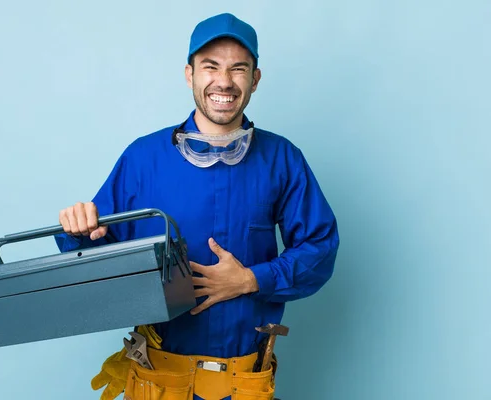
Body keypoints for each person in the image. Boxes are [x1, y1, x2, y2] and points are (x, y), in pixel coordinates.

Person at [55, 12, 339, 400]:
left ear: (255, 79)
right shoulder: (143, 159)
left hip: (242, 383)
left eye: (239, 68)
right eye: (211, 67)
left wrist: (252, 279)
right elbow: (98, 263)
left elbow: (320, 249)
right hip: (159, 380)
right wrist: (77, 233)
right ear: (190, 74)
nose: (224, 81)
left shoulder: (281, 159)